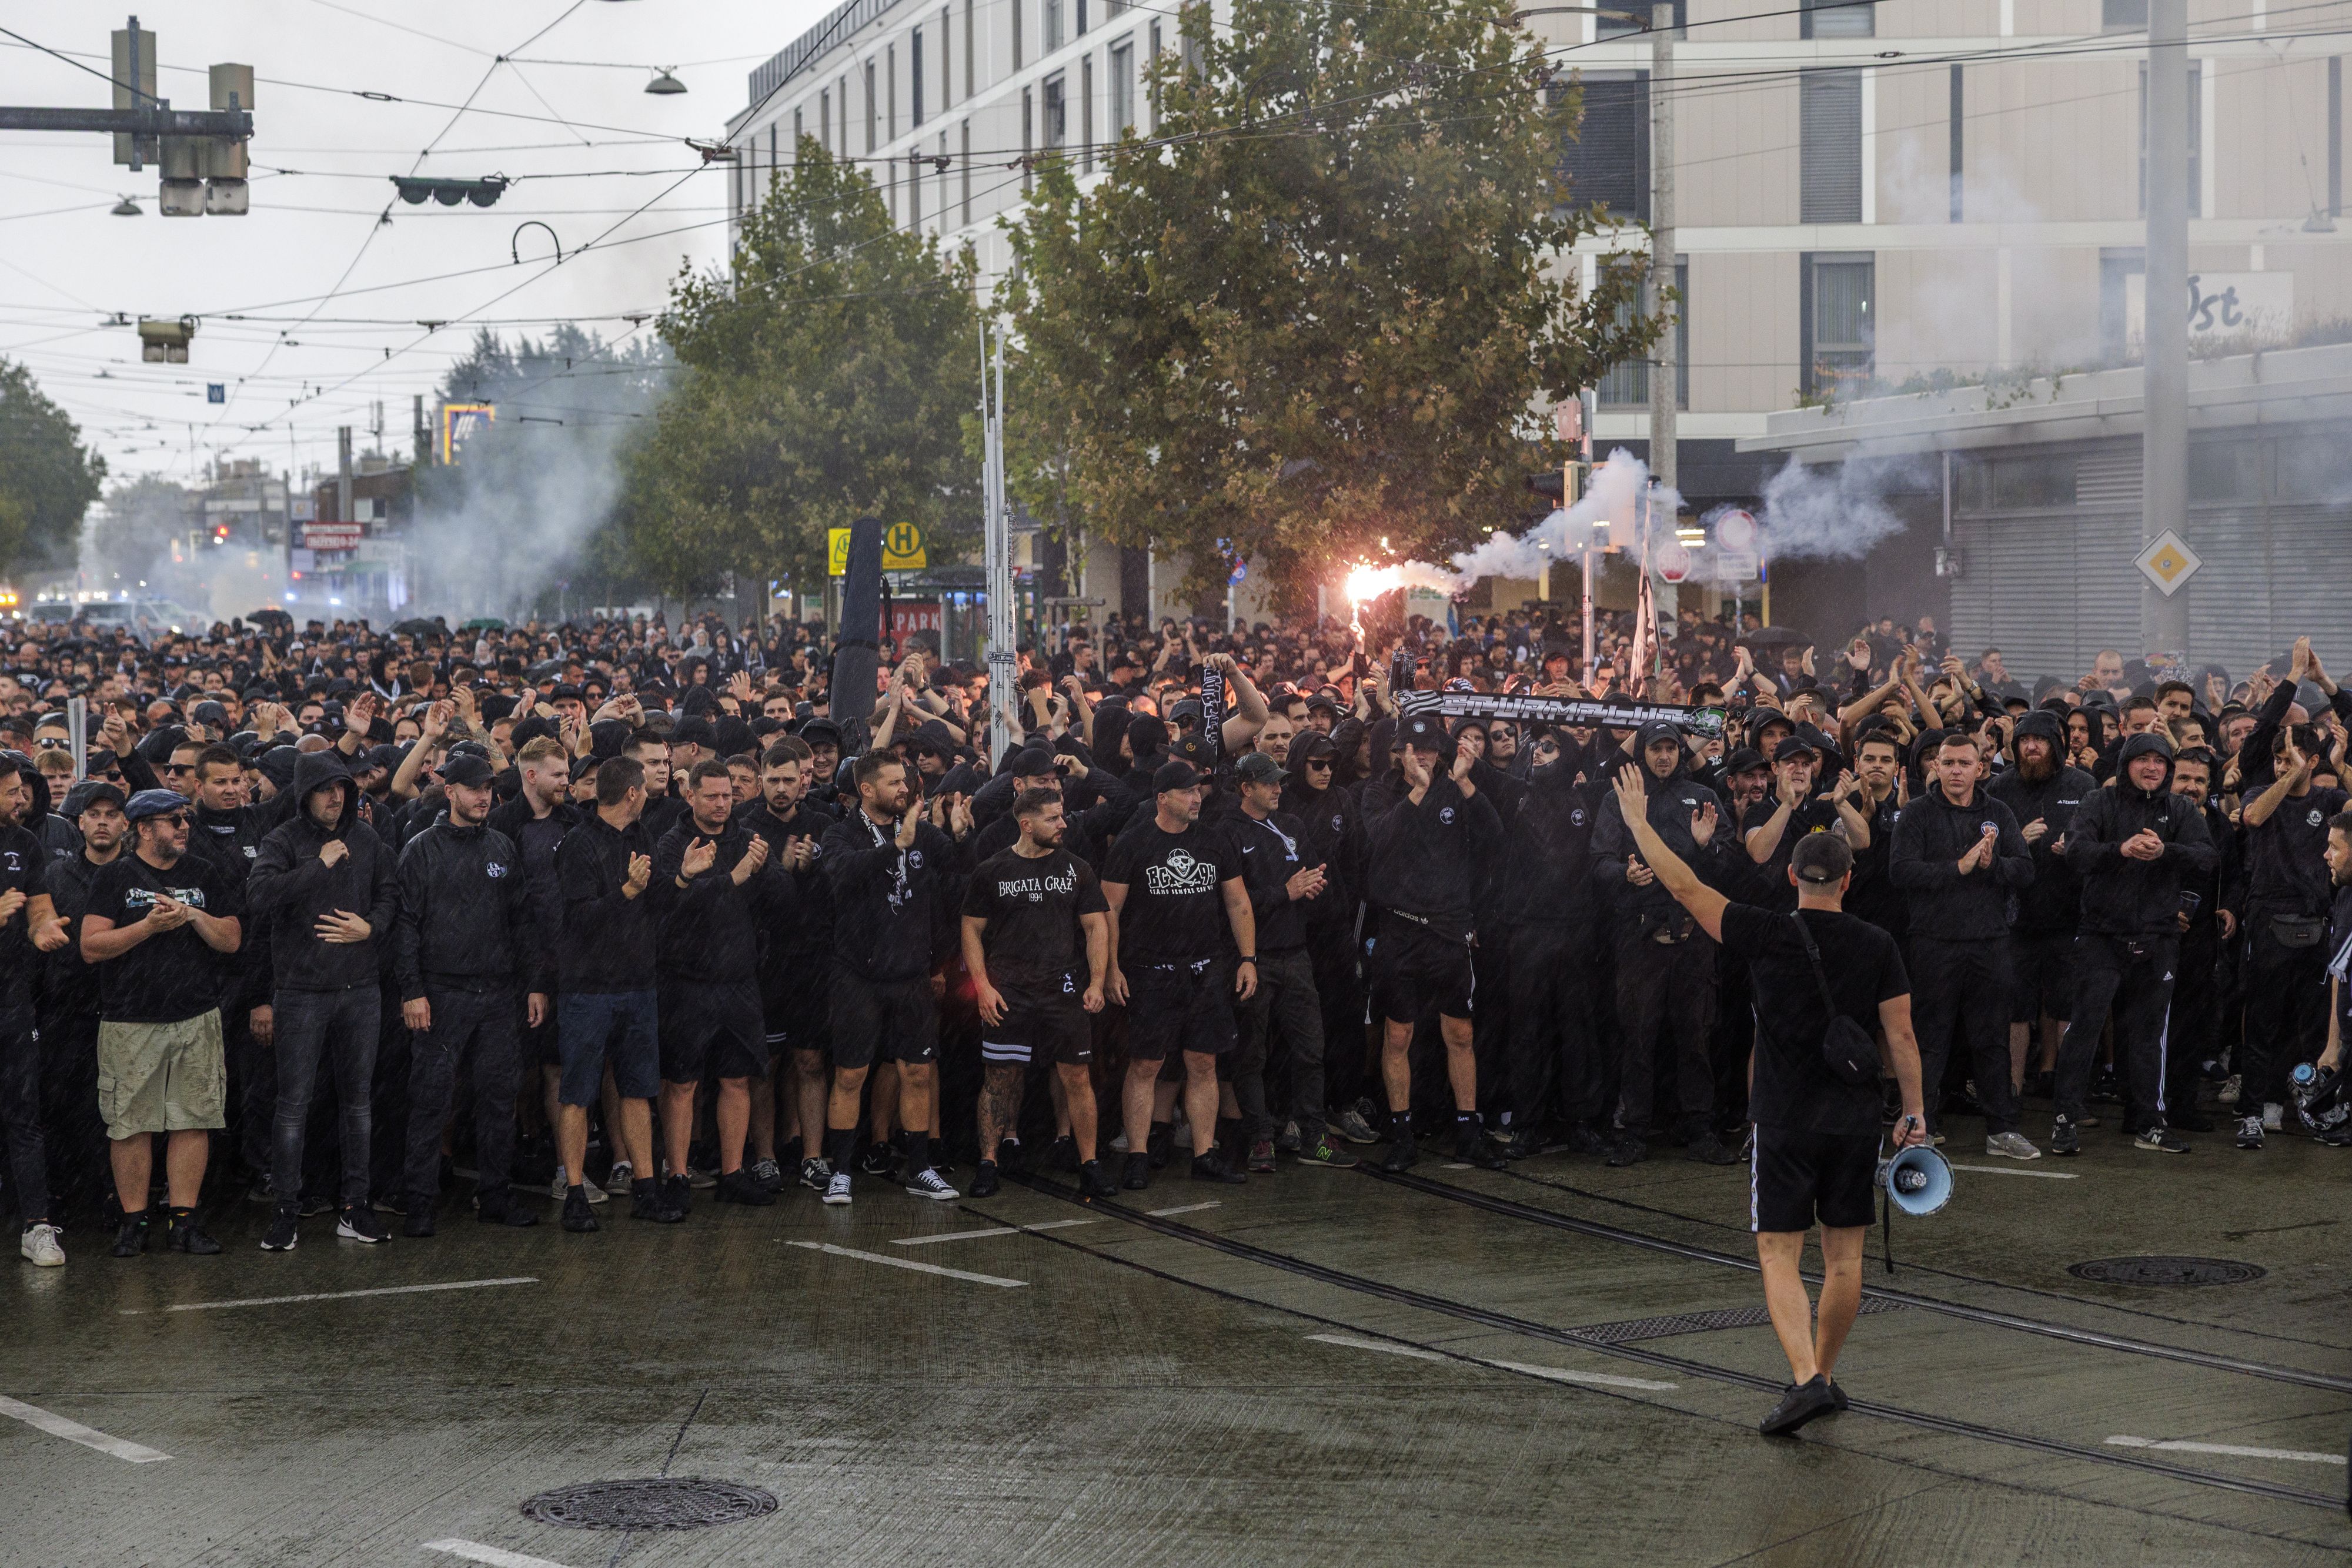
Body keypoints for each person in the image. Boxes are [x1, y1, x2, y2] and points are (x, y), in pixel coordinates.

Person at [1609, 768, 1927, 1435]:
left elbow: (1686, 886)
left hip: (1782, 1117)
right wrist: (1914, 1116)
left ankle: (1806, 1378)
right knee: (1845, 1258)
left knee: (1778, 1253)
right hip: (1851, 1119)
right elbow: (1900, 1035)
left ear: (1792, 877)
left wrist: (1640, 826)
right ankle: (1828, 1374)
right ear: (1846, 880)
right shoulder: (1877, 945)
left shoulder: (1765, 932)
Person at [79, 789, 245, 1258]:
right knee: (131, 1124)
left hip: (196, 1015)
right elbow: (91, 946)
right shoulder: (115, 876)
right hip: (130, 1019)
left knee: (194, 1119)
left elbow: (232, 939)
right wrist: (147, 927)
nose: (184, 827)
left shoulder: (204, 873)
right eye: (173, 821)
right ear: (145, 829)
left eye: (185, 819)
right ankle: (134, 1222)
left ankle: (184, 1220)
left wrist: (192, 914)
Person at [245, 752, 399, 1250]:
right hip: (301, 993)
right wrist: (319, 864)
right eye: (326, 788)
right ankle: (286, 1210)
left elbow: (390, 892)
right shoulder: (282, 840)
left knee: (359, 1104)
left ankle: (356, 1207)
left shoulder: (368, 837)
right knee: (293, 1106)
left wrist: (371, 926)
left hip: (361, 990)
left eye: (343, 788)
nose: (337, 796)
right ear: (304, 795)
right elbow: (261, 896)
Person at [392, 751, 548, 1233]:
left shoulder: (502, 845)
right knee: (431, 1098)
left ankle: (496, 1195)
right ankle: (419, 1200)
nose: (484, 796)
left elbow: (522, 922)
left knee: (500, 1096)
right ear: (451, 791)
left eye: (489, 789)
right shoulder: (420, 848)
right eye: (475, 788)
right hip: (442, 992)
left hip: (499, 992)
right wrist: (412, 991)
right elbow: (405, 927)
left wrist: (535, 983)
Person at [817, 750, 973, 1205]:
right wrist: (894, 847)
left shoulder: (925, 832)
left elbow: (956, 883)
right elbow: (841, 873)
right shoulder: (840, 832)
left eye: (905, 783)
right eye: (893, 783)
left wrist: (962, 838)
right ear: (866, 790)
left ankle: (920, 1167)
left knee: (918, 1072)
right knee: (851, 1074)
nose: (904, 789)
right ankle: (841, 1171)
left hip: (910, 974)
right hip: (857, 975)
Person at [2049, 733, 2215, 1155]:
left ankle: (2149, 1122)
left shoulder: (2179, 808)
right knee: (2083, 1027)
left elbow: (2208, 857)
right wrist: (2120, 849)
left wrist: (2165, 851)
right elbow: (2077, 851)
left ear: (2168, 769)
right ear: (2127, 764)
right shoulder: (2098, 803)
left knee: (2149, 1034)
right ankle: (2065, 1118)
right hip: (2101, 936)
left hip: (2159, 937)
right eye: (2143, 759)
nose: (2152, 768)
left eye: (2160, 761)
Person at [1101, 759, 1259, 1189]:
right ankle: (1137, 1154)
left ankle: (1205, 1153)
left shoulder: (1214, 840)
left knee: (1203, 1062)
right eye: (1188, 792)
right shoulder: (1133, 844)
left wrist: (1248, 958)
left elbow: (1238, 902)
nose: (1196, 798)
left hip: (1206, 969)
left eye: (1199, 791)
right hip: (1150, 969)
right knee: (1146, 1063)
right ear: (1162, 798)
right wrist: (1110, 968)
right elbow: (1108, 911)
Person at [1361, 712, 1506, 1172]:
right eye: (1413, 748)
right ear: (1399, 752)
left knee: (1460, 1032)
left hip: (1447, 928)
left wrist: (1465, 784)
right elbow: (1380, 839)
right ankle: (1402, 1132)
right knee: (1398, 1033)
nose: (1423, 756)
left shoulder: (1455, 787)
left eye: (1429, 750)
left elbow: (1495, 837)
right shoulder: (1379, 791)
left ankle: (1468, 1129)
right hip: (1400, 928)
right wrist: (1419, 791)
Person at [1591, 720, 1736, 1166]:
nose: (1664, 756)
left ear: (1681, 751)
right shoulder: (1619, 798)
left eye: (1672, 747)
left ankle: (1698, 1127)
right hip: (1640, 935)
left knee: (1696, 1037)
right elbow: (1598, 862)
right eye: (1656, 748)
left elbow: (1731, 865)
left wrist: (1708, 847)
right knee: (1637, 1036)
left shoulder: (1705, 798)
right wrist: (1624, 875)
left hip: (1694, 936)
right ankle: (1633, 1130)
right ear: (1644, 753)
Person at [961, 787, 1114, 1199]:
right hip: (1008, 988)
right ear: (1026, 823)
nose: (1063, 824)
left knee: (1077, 1076)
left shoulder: (1077, 868)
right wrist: (983, 987)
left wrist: (1097, 982)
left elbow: (1097, 926)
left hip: (1063, 986)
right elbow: (971, 930)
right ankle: (989, 1162)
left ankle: (1090, 1164)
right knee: (999, 1077)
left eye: (1062, 815)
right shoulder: (992, 870)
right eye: (1052, 818)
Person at [1890, 733, 2038, 1158]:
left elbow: (2026, 870)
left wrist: (1993, 866)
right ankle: (1922, 1124)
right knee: (1930, 1038)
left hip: (1990, 942)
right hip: (1933, 943)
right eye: (1948, 762)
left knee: (1991, 1037)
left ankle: (2001, 1130)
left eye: (1964, 763)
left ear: (1981, 768)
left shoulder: (1999, 812)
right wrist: (1958, 867)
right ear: (1935, 766)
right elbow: (1900, 871)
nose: (1956, 770)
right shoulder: (1916, 814)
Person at [651, 758, 784, 1211]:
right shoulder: (673, 844)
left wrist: (767, 869)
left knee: (736, 1079)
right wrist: (733, 877)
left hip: (739, 980)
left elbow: (781, 898)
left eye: (728, 795)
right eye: (712, 795)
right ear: (690, 795)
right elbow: (670, 907)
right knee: (682, 1083)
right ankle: (678, 1176)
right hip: (687, 982)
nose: (723, 803)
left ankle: (732, 1173)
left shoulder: (749, 839)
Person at [553, 754, 670, 1231]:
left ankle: (646, 1187)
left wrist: (682, 875)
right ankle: (576, 1192)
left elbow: (657, 897)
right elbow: (578, 919)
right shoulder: (577, 845)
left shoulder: (640, 837)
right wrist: (626, 890)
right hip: (588, 988)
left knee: (639, 1089)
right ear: (632, 793)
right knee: (578, 1092)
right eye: (644, 786)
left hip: (638, 983)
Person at [1227, 750, 1352, 1169]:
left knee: (1310, 1048)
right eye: (1268, 783)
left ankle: (1313, 1135)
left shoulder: (1292, 824)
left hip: (1296, 952)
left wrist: (1313, 886)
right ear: (1246, 788)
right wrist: (1286, 892)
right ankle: (1260, 1137)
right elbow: (1230, 902)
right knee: (1252, 1053)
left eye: (1280, 781)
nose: (1279, 788)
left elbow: (1313, 872)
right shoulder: (1229, 831)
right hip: (1253, 957)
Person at [1987, 710, 2093, 1104]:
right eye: (2024, 740)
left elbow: (2098, 839)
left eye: (2040, 739)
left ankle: (2068, 1096)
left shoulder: (2082, 784)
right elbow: (1984, 847)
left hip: (2069, 916)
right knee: (2016, 1008)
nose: (2031, 746)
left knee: (2068, 1006)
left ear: (2056, 744)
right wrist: (2019, 840)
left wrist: (2075, 848)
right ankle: (2011, 1089)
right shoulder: (2000, 787)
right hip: (2016, 919)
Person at [0, 755, 66, 1265]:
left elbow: (38, 902)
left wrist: (41, 926)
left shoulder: (25, 842)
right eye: (9, 791)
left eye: (20, 790)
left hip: (12, 994)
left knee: (25, 1113)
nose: (19, 799)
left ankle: (37, 1225)